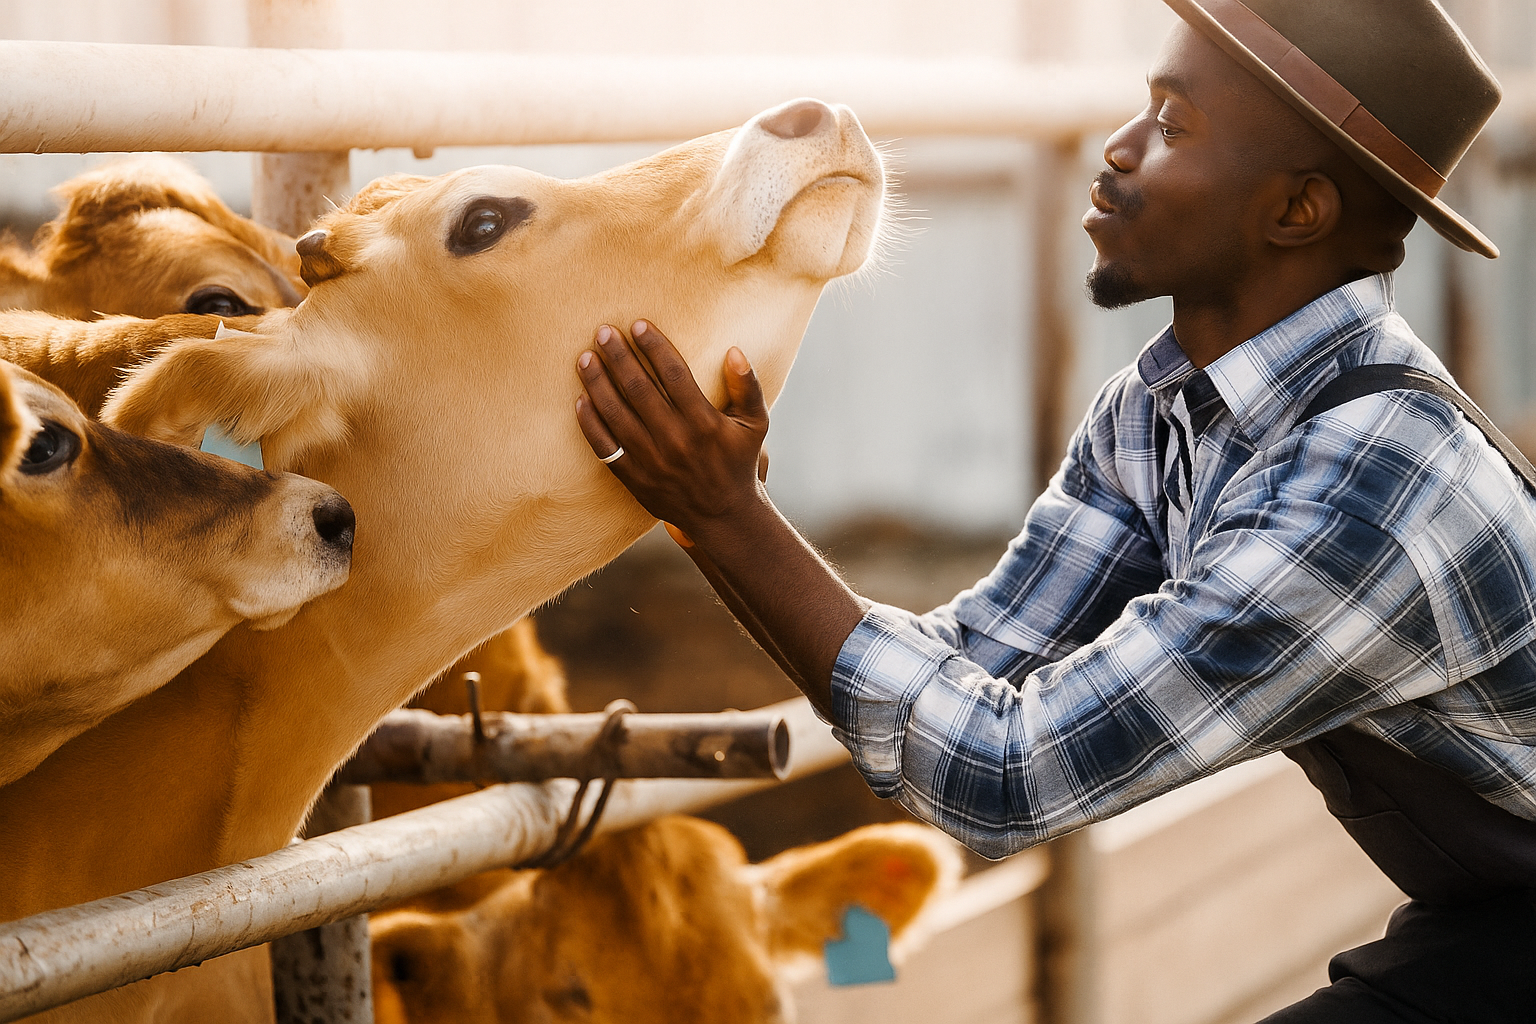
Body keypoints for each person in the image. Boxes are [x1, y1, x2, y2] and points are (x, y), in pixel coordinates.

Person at [573, 0, 1536, 1018]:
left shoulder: (1369, 485)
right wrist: (719, 515)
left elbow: (1006, 774)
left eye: (1172, 126)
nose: (1116, 149)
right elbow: (978, 659)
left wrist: (729, 517)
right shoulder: (1160, 413)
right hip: (1490, 920)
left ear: (1296, 211)